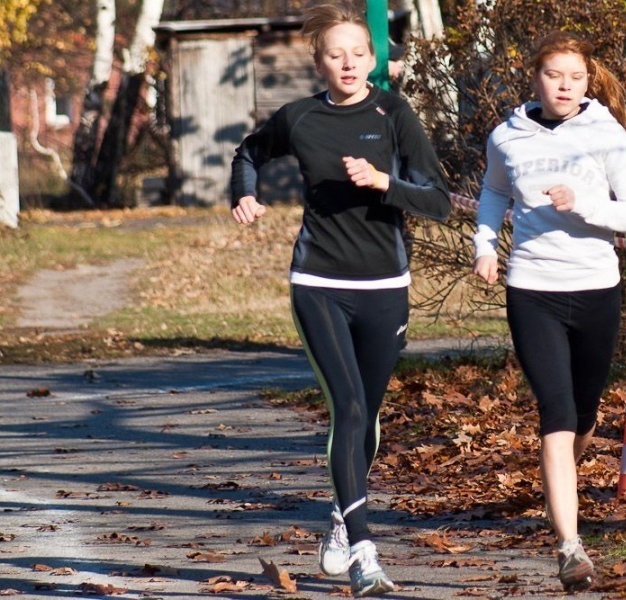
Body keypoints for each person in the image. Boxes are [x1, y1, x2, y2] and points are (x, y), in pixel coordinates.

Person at [230, 2, 450, 596]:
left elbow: (439, 201)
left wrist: (385, 184)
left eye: (358, 52)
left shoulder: (394, 112)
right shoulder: (299, 117)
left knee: (368, 419)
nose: (348, 62)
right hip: (320, 283)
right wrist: (244, 195)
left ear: (373, 59)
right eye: (336, 54)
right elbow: (247, 152)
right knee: (348, 409)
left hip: (385, 286)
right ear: (320, 63)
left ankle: (339, 515)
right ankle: (364, 553)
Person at [472, 31, 626, 590]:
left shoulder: (607, 134)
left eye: (576, 76)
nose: (566, 85)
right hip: (533, 288)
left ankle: (559, 483)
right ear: (536, 79)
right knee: (556, 412)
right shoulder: (507, 136)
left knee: (584, 412)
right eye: (555, 75)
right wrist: (483, 248)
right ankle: (571, 546)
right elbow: (493, 193)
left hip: (596, 286)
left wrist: (585, 204)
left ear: (588, 81)